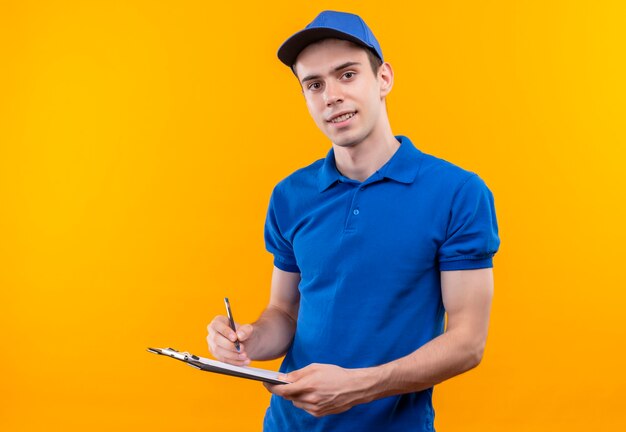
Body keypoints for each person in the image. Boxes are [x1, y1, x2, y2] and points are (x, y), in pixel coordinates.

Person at [207, 10, 500, 431]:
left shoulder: (458, 193)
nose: (331, 96)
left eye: (347, 75)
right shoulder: (290, 196)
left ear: (383, 79)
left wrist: (359, 386)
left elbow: (468, 343)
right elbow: (284, 314)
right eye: (315, 84)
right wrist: (248, 339)